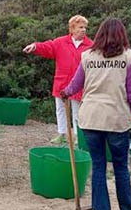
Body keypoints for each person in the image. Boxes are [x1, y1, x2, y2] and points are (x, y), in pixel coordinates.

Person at [61, 18, 131, 210]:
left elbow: (75, 84)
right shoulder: (129, 57)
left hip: (90, 118)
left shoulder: (88, 56)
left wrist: (65, 92)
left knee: (98, 167)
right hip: (116, 119)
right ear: (122, 35)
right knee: (120, 168)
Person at [22, 15, 93, 144]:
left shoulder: (90, 45)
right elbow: (47, 47)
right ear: (72, 29)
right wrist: (35, 46)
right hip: (62, 81)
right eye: (80, 27)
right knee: (60, 108)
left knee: (78, 111)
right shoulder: (61, 42)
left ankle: (77, 136)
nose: (83, 30)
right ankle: (62, 133)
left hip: (79, 84)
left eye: (85, 27)